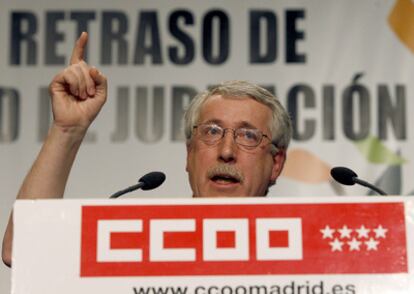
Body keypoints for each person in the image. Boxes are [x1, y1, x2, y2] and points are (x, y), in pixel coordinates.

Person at [1, 32, 292, 267]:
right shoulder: (146, 240)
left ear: (276, 163)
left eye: (249, 136)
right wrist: (67, 130)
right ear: (189, 154)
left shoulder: (304, 245)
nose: (226, 151)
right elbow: (23, 252)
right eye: (212, 132)